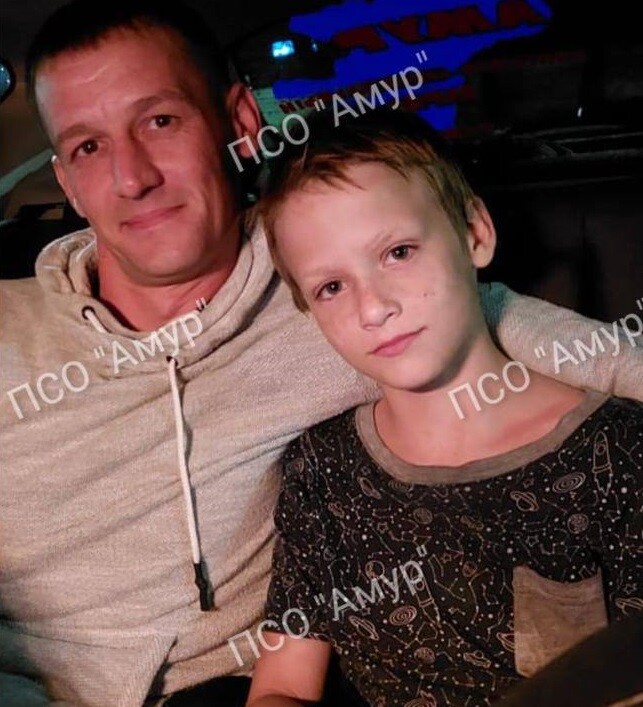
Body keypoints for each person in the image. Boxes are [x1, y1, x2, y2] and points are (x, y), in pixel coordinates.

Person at [0, 1, 641, 705]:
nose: (132, 177)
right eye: (88, 147)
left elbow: (490, 319)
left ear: (240, 123)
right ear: (65, 181)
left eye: (160, 121)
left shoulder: (323, 289)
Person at [245, 109, 643, 707]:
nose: (373, 307)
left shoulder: (620, 450)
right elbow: (280, 686)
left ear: (475, 234)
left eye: (399, 252)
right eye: (331, 287)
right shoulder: (323, 470)